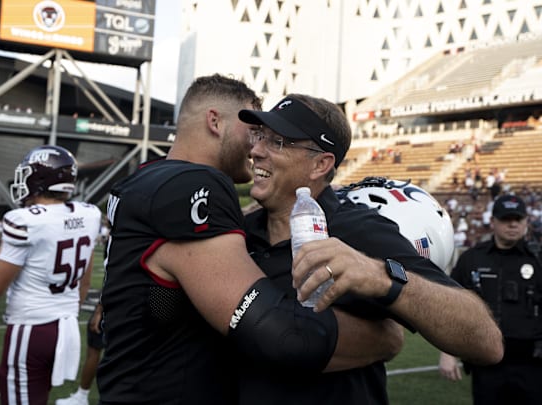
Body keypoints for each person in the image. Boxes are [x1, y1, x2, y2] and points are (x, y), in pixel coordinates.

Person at [97, 75, 416, 405]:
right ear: (215, 121)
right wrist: (384, 340)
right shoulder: (194, 182)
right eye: (253, 132)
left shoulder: (146, 176)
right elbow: (281, 335)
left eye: (270, 139)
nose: (255, 147)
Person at [237, 93, 503, 404]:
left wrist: (380, 277)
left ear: (320, 164)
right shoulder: (238, 231)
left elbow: (487, 342)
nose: (255, 151)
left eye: (277, 141)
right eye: (259, 136)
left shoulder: (361, 230)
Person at [0, 145, 101, 405]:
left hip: (31, 330)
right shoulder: (88, 214)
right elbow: (83, 283)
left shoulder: (25, 220)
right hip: (66, 329)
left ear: (40, 179)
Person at [439, 194, 542, 405]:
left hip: (533, 363)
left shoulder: (538, 259)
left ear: (526, 222)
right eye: (506, 219)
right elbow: (451, 305)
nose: (513, 224)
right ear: (493, 221)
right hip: (486, 364)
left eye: (518, 219)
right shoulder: (472, 258)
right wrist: (448, 353)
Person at [56, 302, 104, 405]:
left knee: (95, 347)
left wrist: (99, 309)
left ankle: (82, 396)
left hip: (119, 304)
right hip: (136, 304)